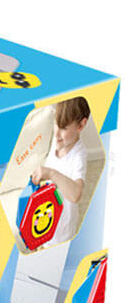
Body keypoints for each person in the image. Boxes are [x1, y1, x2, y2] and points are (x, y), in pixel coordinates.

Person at [31, 97, 90, 245]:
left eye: (63, 128)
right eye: (56, 124)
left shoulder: (79, 155)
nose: (56, 134)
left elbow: (75, 194)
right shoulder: (58, 141)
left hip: (61, 234)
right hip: (45, 221)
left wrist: (51, 173)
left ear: (81, 125)